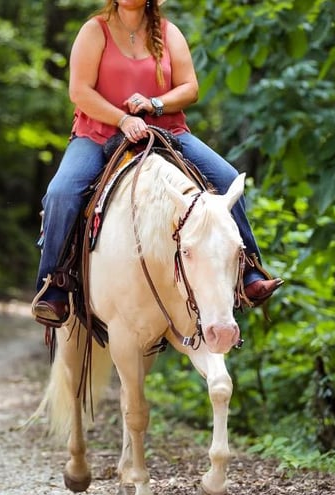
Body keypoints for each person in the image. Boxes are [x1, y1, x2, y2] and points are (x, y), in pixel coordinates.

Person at [32, 0, 282, 324]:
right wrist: (122, 119)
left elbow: (190, 88)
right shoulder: (94, 31)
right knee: (62, 193)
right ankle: (54, 284)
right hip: (98, 133)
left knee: (227, 177)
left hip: (167, 131)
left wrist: (155, 104)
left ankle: (248, 270)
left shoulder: (169, 32)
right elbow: (79, 92)